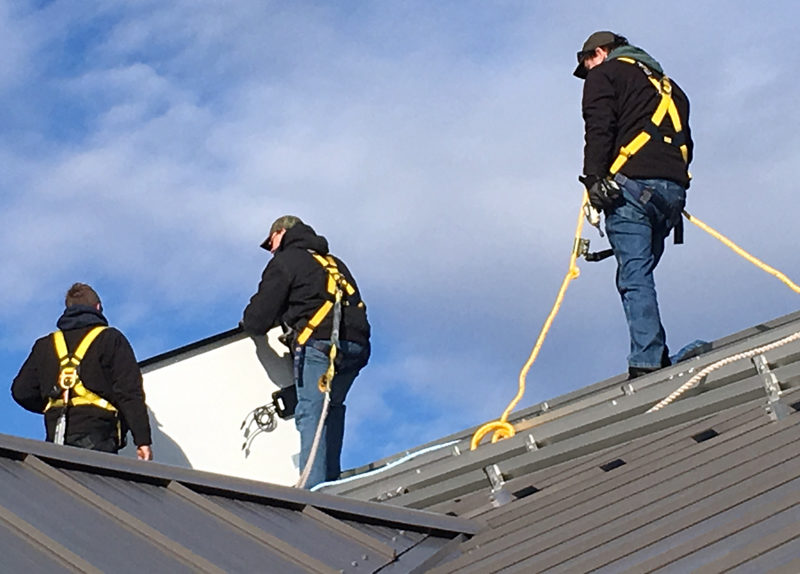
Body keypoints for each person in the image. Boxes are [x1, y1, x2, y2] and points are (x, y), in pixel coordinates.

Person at [574, 31, 693, 379]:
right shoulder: (671, 88)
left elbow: (598, 128)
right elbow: (687, 140)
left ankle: (647, 361)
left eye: (588, 63)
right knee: (640, 273)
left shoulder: (605, 74)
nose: (589, 71)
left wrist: (593, 180)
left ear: (600, 52)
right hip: (671, 193)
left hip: (630, 189)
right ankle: (653, 352)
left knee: (634, 276)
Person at [242, 215, 370, 488]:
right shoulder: (335, 263)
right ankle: (332, 484)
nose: (272, 249)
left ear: (281, 233)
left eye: (272, 243)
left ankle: (314, 489)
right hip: (355, 347)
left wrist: (249, 324)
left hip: (319, 344)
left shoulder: (286, 262)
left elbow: (259, 317)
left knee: (311, 411)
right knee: (332, 408)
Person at [12, 283, 153, 460]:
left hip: (55, 438)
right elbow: (129, 392)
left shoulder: (45, 345)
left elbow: (21, 391)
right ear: (98, 307)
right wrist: (142, 441)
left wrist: (52, 405)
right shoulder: (110, 339)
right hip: (98, 439)